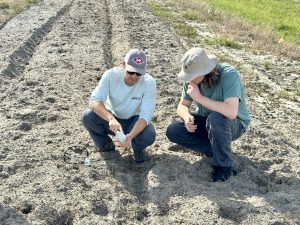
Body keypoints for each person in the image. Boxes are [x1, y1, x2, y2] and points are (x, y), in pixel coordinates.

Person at [166, 47, 250, 182]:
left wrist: (199, 98)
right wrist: (187, 117)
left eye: (192, 76)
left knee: (216, 118)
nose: (189, 80)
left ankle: (224, 167)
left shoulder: (229, 74)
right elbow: (182, 106)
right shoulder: (192, 81)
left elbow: (231, 112)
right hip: (208, 122)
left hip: (233, 124)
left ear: (205, 72)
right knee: (173, 130)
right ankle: (215, 149)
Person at [82, 49, 156, 163]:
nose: (134, 76)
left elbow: (146, 115)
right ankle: (106, 146)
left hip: (134, 121)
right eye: (131, 72)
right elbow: (94, 101)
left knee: (149, 134)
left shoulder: (149, 83)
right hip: (112, 119)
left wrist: (130, 136)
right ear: (123, 65)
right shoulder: (111, 75)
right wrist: (110, 118)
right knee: (88, 117)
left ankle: (137, 149)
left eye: (139, 73)